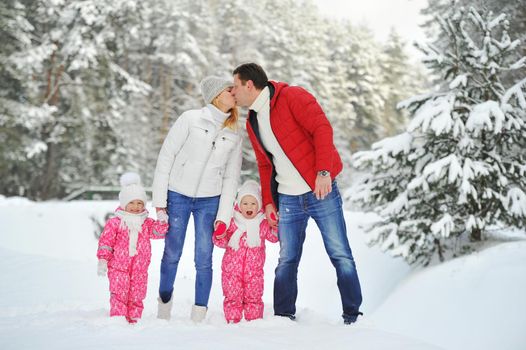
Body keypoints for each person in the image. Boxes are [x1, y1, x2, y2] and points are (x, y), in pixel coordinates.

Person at [231, 63, 363, 324]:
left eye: (235, 86)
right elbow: (265, 164)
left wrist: (324, 172)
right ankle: (283, 316)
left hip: (320, 191)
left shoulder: (292, 96)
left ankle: (353, 316)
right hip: (288, 199)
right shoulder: (253, 121)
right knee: (287, 259)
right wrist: (269, 202)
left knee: (340, 254)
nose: (233, 92)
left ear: (249, 85)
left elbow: (322, 129)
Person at [152, 76, 243, 322]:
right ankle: (164, 307)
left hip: (209, 201)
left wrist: (223, 217)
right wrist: (160, 202)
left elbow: (231, 179)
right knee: (172, 253)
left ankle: (198, 315)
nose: (235, 92)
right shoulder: (190, 119)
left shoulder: (234, 131)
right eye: (229, 89)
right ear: (216, 95)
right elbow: (166, 158)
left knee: (204, 257)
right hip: (178, 194)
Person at [96, 172, 168, 324]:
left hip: (140, 269)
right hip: (118, 268)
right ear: (124, 203)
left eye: (140, 203)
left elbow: (158, 233)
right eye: (132, 203)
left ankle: (135, 319)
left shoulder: (146, 222)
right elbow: (106, 242)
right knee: (119, 294)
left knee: (137, 294)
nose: (136, 207)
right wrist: (103, 260)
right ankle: (118, 320)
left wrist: (162, 221)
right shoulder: (115, 222)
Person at [212, 180, 278, 323]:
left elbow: (273, 237)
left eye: (253, 203)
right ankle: (232, 320)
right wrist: (219, 233)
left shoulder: (263, 223)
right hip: (231, 271)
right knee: (232, 296)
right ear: (239, 205)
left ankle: (254, 321)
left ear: (259, 206)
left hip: (254, 272)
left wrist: (276, 225)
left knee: (254, 297)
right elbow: (221, 242)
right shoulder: (233, 222)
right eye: (245, 203)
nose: (249, 207)